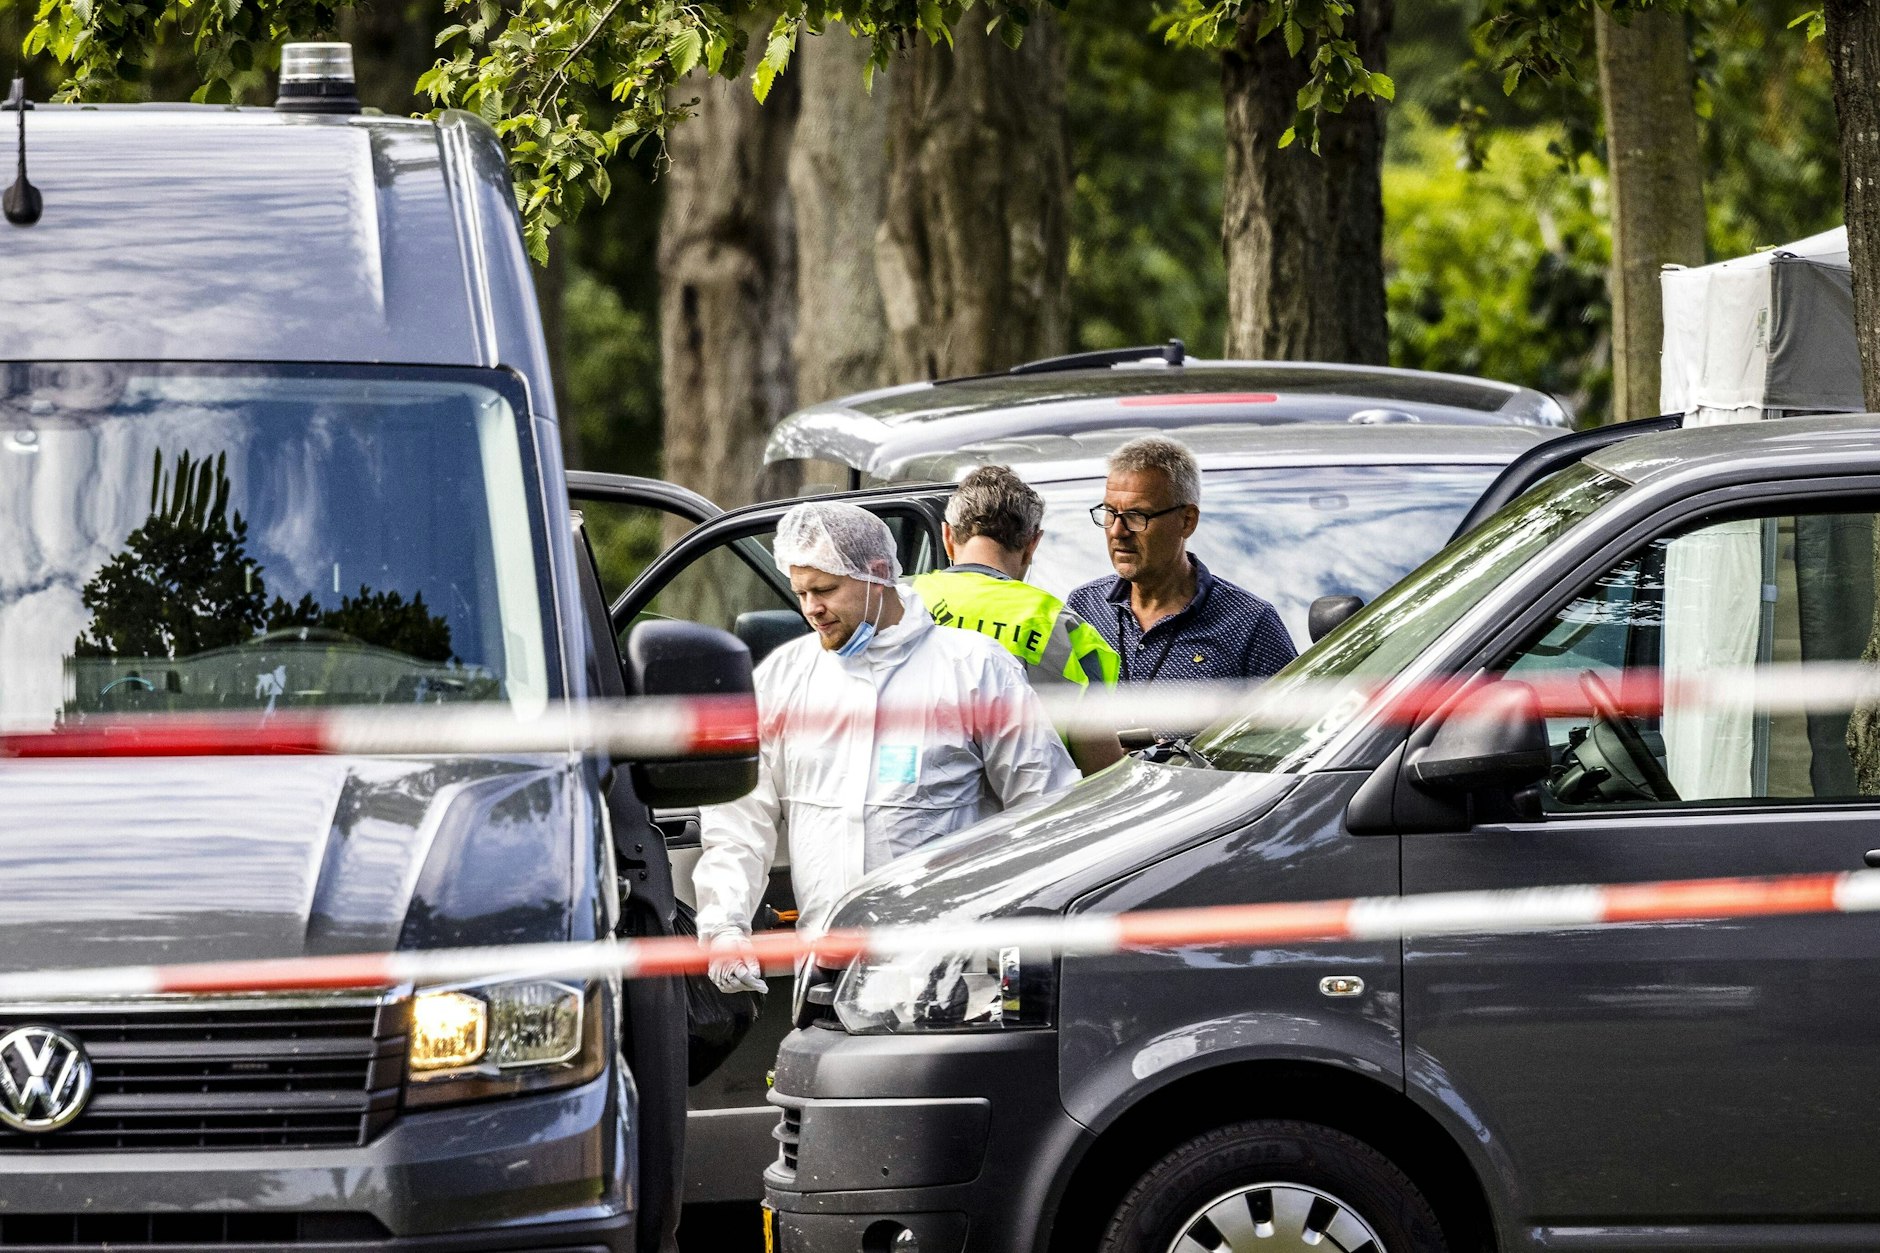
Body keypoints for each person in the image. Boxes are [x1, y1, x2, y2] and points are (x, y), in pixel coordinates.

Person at [695, 500, 1079, 993]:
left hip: (951, 975)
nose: (812, 609)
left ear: (879, 574)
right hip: (827, 971)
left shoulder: (972, 668)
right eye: (802, 592)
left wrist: (1023, 955)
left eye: (827, 589)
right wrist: (725, 926)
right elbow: (740, 820)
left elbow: (1044, 807)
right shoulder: (785, 677)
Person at [913, 465, 1123, 771]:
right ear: (1031, 545)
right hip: (1032, 813)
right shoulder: (1062, 627)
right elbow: (1103, 772)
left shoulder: (900, 606)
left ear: (947, 535)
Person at [1066, 435, 1296, 686]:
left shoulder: (1249, 624)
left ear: (1187, 521)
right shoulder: (1084, 607)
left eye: (1136, 515)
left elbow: (1294, 721)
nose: (1117, 531)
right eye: (1110, 512)